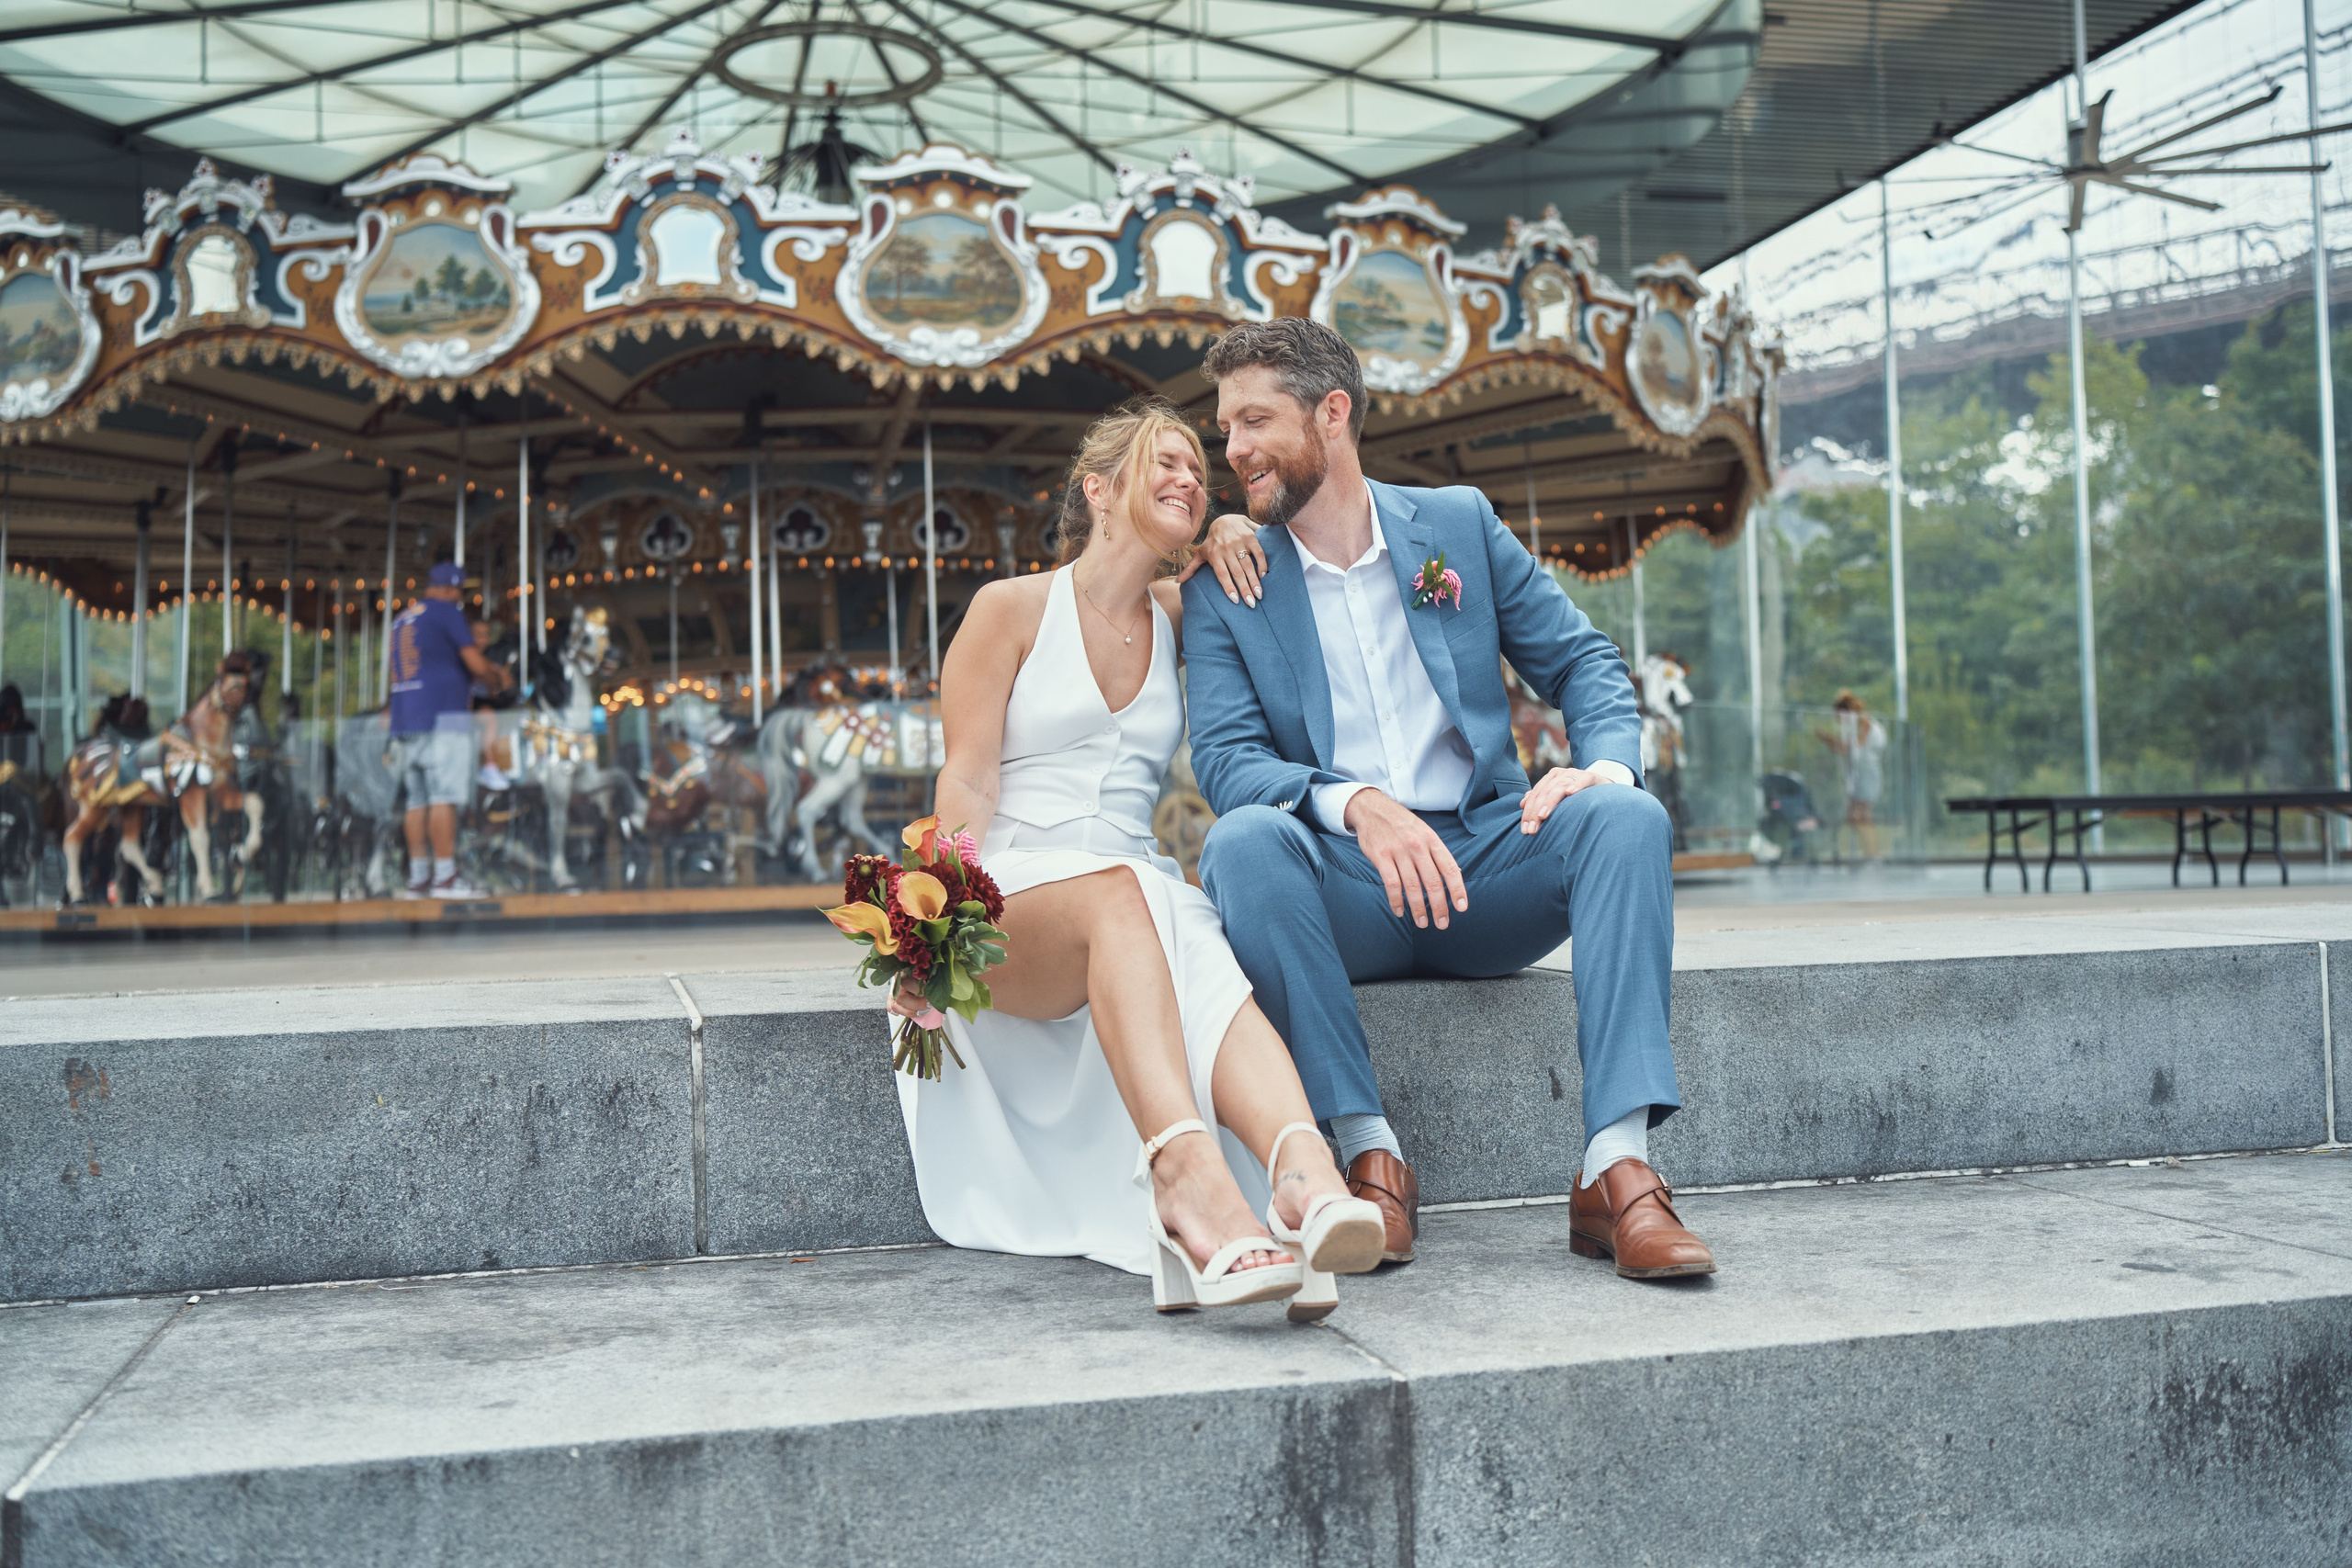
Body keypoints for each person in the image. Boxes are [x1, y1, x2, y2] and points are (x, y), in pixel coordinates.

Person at [1182, 317, 1714, 1280]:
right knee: (1243, 844)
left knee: (1626, 817)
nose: (1235, 449)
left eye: (1254, 420)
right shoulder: (1230, 583)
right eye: (1226, 428)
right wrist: (1355, 807)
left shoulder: (1457, 525)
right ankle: (1366, 1156)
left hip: (1485, 864)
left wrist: (1603, 767)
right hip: (1346, 887)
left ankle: (1616, 1168)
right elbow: (1225, 760)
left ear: (1332, 413)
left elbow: (1585, 662)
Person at [896, 397, 1387, 1319]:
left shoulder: (1180, 609)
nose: (1189, 478)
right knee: (1134, 898)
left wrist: (1238, 520)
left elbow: (1262, 567)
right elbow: (965, 783)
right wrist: (933, 928)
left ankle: (1305, 1174)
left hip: (1131, 884)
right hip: (1016, 891)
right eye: (1164, 462)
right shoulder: (1009, 609)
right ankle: (1185, 1176)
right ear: (1098, 488)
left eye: (1198, 473)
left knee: (1188, 924)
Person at [389, 562, 508, 898]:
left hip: (406, 717)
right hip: (443, 716)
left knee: (417, 801)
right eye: (460, 591)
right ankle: (445, 877)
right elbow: (475, 663)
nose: (461, 598)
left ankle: (419, 877)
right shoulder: (447, 612)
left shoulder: (403, 618)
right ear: (451, 589)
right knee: (444, 797)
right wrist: (494, 677)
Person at [1821, 689, 1887, 861]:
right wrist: (1828, 740)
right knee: (1854, 816)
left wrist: (1833, 741)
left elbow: (1857, 746)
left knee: (1862, 815)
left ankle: (1872, 854)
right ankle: (1868, 852)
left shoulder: (1863, 721)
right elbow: (1845, 751)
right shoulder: (1851, 727)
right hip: (1857, 775)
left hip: (1867, 773)